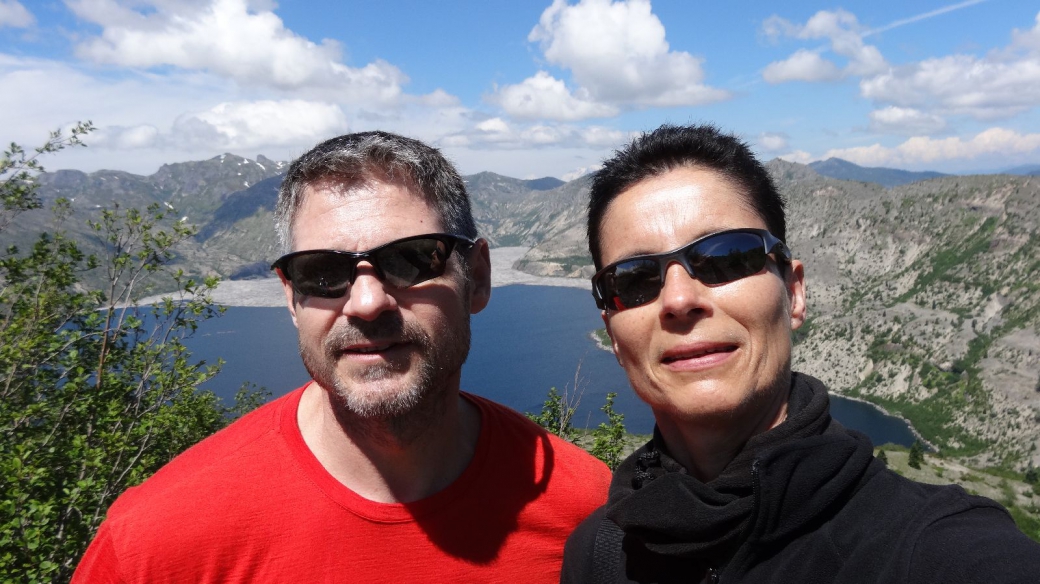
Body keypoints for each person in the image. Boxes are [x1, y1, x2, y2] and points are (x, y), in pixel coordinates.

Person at [73, 131, 611, 583]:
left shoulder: (592, 516)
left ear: (478, 278)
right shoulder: (157, 544)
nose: (368, 301)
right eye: (322, 272)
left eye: (411, 258)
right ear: (291, 297)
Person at [561, 124, 1040, 583]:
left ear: (794, 292)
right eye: (633, 279)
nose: (680, 300)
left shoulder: (940, 549)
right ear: (614, 335)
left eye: (728, 257)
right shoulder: (594, 554)